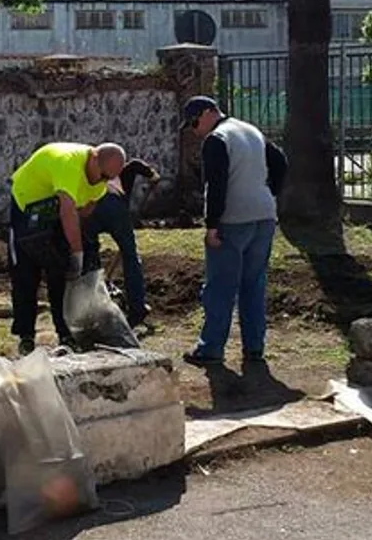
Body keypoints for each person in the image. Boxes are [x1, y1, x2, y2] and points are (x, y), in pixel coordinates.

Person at [179, 96, 287, 367]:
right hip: (264, 217)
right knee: (254, 285)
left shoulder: (217, 139)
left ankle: (211, 349)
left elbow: (216, 185)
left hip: (233, 221)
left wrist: (212, 225)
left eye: (194, 123)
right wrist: (267, 193)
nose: (194, 130)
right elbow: (281, 163)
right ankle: (254, 348)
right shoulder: (251, 131)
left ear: (207, 113)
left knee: (220, 287)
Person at [8, 142, 127, 355]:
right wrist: (77, 252)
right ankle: (26, 336)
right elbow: (68, 212)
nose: (103, 182)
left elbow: (84, 211)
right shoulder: (68, 164)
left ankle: (65, 333)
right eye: (102, 175)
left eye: (109, 178)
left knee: (60, 271)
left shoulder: (100, 180)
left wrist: (74, 251)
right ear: (93, 158)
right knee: (26, 273)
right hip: (27, 204)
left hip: (54, 209)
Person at [81, 157, 160, 328]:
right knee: (130, 255)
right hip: (116, 208)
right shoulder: (124, 170)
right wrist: (152, 175)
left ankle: (92, 306)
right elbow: (136, 165)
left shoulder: (90, 173)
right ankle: (137, 308)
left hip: (90, 207)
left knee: (90, 255)